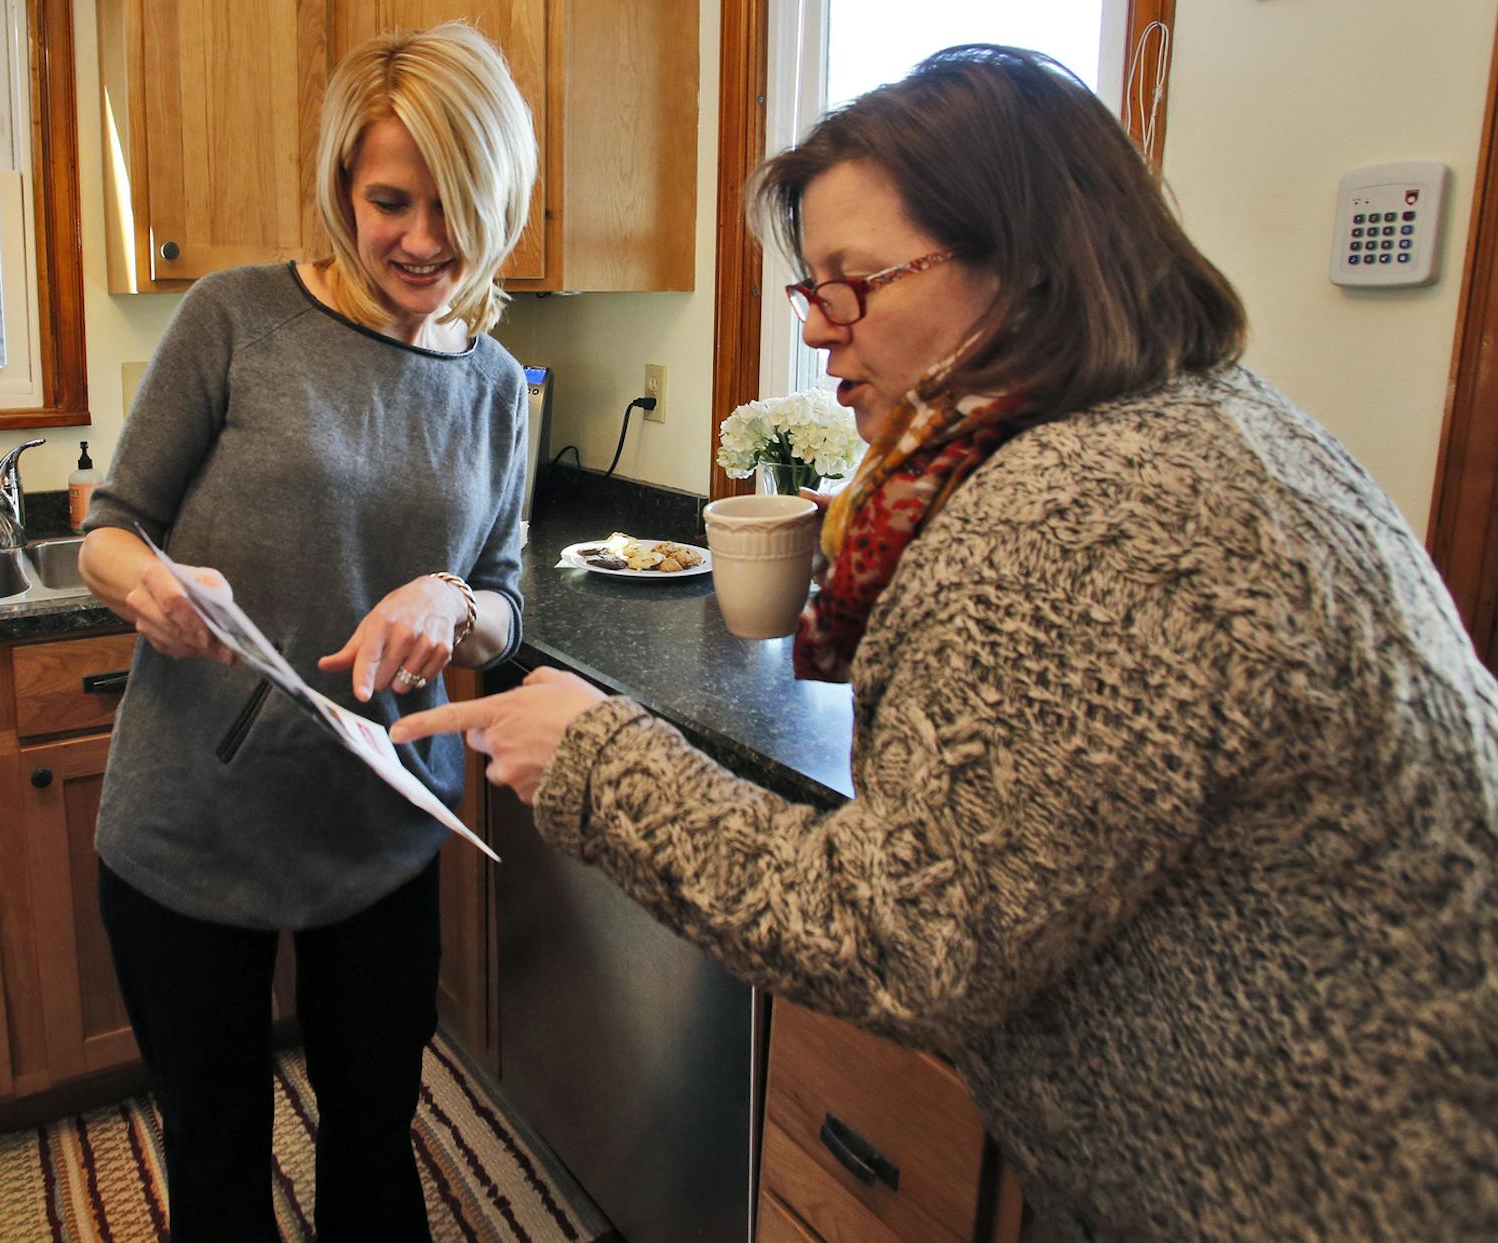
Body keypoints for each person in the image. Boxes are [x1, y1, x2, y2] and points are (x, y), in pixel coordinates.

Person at [394, 44, 1498, 1242]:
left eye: (854, 282)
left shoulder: (1084, 508)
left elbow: (906, 931)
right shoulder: (1208, 419)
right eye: (809, 290)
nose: (820, 332)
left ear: (1027, 265)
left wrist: (601, 756)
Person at [75, 21, 537, 1241]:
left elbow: (505, 597)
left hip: (383, 826)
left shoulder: (495, 384)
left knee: (376, 1138)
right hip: (192, 820)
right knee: (217, 1156)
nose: (425, 238)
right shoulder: (236, 319)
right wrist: (151, 588)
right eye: (391, 198)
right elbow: (109, 527)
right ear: (342, 186)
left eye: (458, 202)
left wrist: (455, 600)